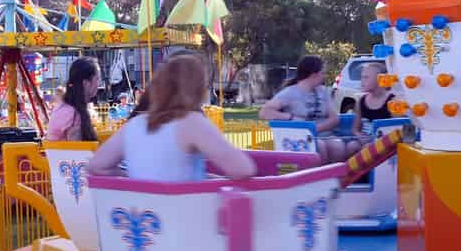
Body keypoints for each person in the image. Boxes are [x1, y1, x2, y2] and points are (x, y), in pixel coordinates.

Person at [87, 56, 254, 181]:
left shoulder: (135, 124)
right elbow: (243, 168)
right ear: (195, 88)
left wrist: (132, 177)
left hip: (145, 221)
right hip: (188, 222)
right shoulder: (192, 122)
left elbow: (96, 166)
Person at [259, 55, 344, 162]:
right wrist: (290, 117)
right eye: (322, 73)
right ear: (313, 75)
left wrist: (314, 129)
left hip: (322, 134)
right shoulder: (290, 93)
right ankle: (321, 177)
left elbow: (334, 119)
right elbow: (264, 112)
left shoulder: (324, 92)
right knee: (319, 146)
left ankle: (337, 177)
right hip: (298, 138)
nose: (324, 76)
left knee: (338, 146)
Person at [46, 58, 100, 142]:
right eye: (97, 79)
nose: (98, 84)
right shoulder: (73, 115)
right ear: (85, 83)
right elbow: (78, 151)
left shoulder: (64, 107)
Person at [352, 62, 394, 138]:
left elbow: (398, 129)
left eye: (366, 77)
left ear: (380, 79)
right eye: (362, 77)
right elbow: (355, 129)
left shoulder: (393, 102)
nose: (362, 81)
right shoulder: (361, 101)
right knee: (352, 145)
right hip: (364, 142)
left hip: (384, 144)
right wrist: (358, 135)